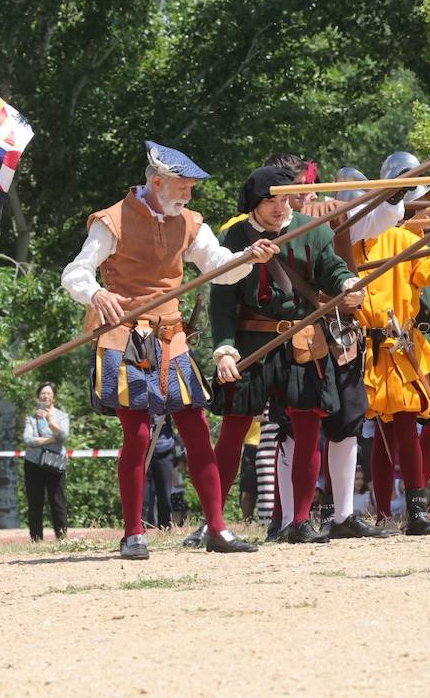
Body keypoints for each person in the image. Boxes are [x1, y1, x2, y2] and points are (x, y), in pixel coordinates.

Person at [60, 141, 275, 558]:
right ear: (157, 183)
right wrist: (97, 294)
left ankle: (217, 529)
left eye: (191, 189)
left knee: (196, 428)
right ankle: (133, 533)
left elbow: (218, 266)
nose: (188, 196)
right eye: (183, 187)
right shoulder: (112, 220)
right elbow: (76, 273)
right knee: (139, 434)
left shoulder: (190, 223)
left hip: (171, 337)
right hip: (124, 336)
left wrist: (249, 256)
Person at [208, 165, 369, 544]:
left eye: (284, 199)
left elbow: (333, 270)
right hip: (251, 342)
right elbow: (222, 301)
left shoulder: (314, 230)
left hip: (303, 339)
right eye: (271, 201)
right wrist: (224, 349)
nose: (281, 207)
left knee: (307, 428)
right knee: (233, 429)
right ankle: (212, 522)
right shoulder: (235, 237)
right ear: (254, 203)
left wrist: (348, 283)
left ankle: (299, 521)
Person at [351, 156, 430, 536]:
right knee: (377, 434)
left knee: (407, 427)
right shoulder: (356, 238)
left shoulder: (407, 240)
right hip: (368, 348)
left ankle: (417, 513)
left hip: (402, 345)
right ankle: (377, 513)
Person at [22, 382, 70, 542]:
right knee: (35, 502)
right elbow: (28, 439)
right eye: (42, 393)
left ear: (54, 396)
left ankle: (62, 538)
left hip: (55, 463)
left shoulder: (62, 416)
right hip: (33, 463)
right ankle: (36, 539)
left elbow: (63, 436)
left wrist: (50, 421)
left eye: (49, 393)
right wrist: (51, 439)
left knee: (58, 501)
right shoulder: (31, 418)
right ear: (38, 397)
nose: (46, 396)